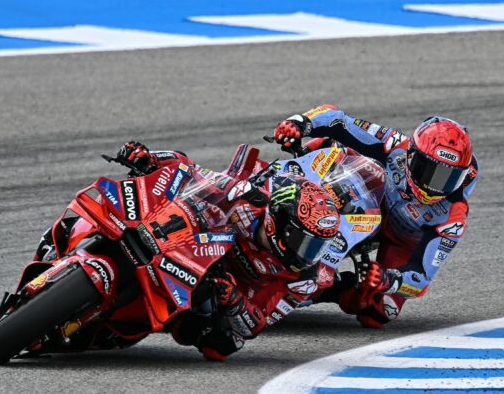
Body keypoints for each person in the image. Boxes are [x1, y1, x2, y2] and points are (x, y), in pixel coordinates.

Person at [115, 142, 340, 360]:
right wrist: (150, 159)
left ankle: (138, 318)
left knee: (224, 343)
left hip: (212, 283)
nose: (310, 254)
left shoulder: (303, 279)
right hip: (186, 240)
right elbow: (191, 170)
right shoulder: (255, 199)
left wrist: (235, 301)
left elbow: (258, 323)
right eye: (305, 241)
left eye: (319, 246)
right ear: (280, 221)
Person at [273, 104, 479, 328]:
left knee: (380, 310)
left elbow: (421, 279)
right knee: (333, 145)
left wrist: (389, 279)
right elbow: (340, 121)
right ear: (412, 155)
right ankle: (275, 179)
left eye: (448, 178)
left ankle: (333, 289)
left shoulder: (453, 217)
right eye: (428, 170)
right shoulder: (396, 145)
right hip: (370, 198)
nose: (434, 187)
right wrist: (300, 123)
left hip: (402, 242)